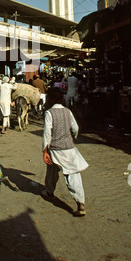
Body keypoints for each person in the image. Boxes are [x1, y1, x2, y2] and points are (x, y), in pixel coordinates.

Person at [41, 87, 88, 217]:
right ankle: (80, 204)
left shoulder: (49, 113)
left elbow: (47, 133)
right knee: (72, 175)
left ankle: (50, 193)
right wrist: (72, 137)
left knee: (53, 172)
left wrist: (45, 150)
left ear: (50, 99)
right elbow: (76, 128)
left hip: (56, 149)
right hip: (69, 148)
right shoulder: (68, 111)